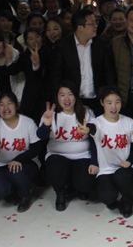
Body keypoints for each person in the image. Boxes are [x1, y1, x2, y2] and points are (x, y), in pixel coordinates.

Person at [76, 86, 133, 218]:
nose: (113, 107)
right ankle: (114, 193)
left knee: (121, 176)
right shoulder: (97, 122)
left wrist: (129, 161)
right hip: (106, 169)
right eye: (109, 103)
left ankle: (127, 201)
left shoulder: (128, 122)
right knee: (107, 198)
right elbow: (92, 128)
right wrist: (87, 130)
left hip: (126, 167)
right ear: (102, 103)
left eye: (117, 102)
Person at [36, 82, 96, 211]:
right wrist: (46, 124)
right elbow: (41, 136)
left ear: (76, 96)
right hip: (57, 154)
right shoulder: (51, 114)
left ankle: (77, 186)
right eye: (62, 95)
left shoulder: (86, 112)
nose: (66, 98)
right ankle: (60, 193)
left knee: (85, 184)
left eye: (70, 94)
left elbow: (95, 136)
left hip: (82, 155)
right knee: (56, 170)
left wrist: (94, 161)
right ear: (57, 97)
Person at [0, 91, 41, 213]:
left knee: (15, 172)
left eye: (9, 103)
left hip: (26, 162)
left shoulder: (28, 123)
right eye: (1, 105)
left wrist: (18, 159)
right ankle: (13, 190)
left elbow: (36, 148)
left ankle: (26, 194)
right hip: (3, 163)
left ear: (16, 105)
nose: (5, 108)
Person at [51, 8, 117, 115]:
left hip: (98, 100)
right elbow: (56, 77)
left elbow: (110, 74)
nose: (96, 26)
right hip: (73, 101)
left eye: (96, 22)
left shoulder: (102, 44)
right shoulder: (63, 46)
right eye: (92, 23)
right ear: (80, 28)